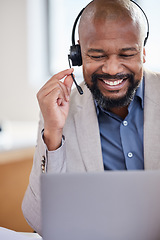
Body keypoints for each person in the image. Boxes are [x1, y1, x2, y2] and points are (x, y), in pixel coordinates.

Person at [22, 0, 160, 235]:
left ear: (143, 51)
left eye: (127, 53)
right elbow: (40, 221)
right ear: (77, 54)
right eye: (97, 55)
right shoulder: (61, 109)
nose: (113, 69)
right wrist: (53, 133)